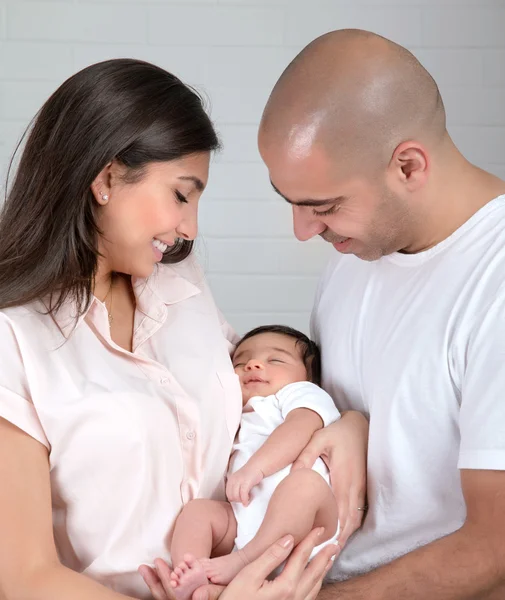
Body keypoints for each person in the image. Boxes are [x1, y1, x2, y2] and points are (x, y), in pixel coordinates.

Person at [0, 58, 368, 600]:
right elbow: (25, 578)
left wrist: (349, 426)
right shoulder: (16, 341)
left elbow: (259, 399)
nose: (189, 228)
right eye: (181, 194)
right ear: (105, 178)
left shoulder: (181, 285)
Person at [257, 28, 505, 600]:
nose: (303, 231)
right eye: (290, 202)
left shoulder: (492, 280)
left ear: (410, 166)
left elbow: (496, 544)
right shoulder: (355, 255)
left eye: (323, 207)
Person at [143, 325, 341, 600]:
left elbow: (299, 427)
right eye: (241, 362)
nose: (253, 364)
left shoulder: (300, 395)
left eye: (276, 360)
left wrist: (254, 469)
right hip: (243, 523)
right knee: (198, 512)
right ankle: (192, 574)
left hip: (307, 524)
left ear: (309, 376)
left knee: (304, 484)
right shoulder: (235, 411)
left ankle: (241, 562)